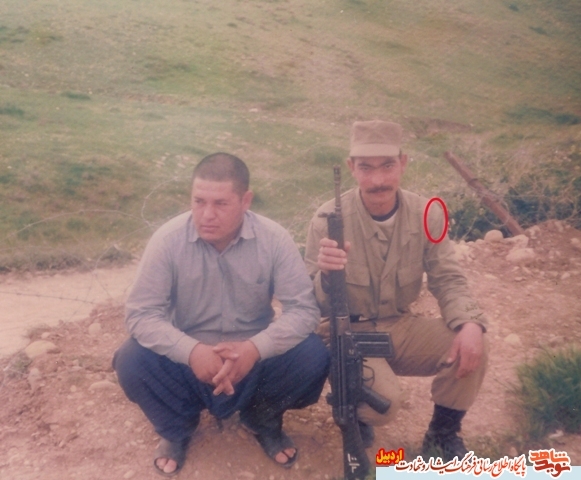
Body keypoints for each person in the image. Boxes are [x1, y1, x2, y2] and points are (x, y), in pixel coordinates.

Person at [114, 152, 330, 476]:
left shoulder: (274, 240)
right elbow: (140, 313)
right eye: (199, 202)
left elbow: (304, 310)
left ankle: (262, 418)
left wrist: (254, 348)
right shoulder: (168, 241)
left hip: (253, 362)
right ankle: (177, 428)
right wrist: (191, 351)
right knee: (131, 359)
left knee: (312, 355)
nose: (207, 215)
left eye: (220, 204)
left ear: (245, 201)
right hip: (188, 360)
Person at [304, 120, 488, 461]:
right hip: (346, 333)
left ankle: (442, 435)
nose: (378, 180)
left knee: (472, 342)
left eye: (387, 166)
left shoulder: (428, 214)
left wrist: (470, 322)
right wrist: (327, 276)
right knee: (384, 404)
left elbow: (448, 278)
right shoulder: (327, 219)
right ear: (351, 168)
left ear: (403, 163)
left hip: (398, 326)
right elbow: (309, 303)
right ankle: (358, 414)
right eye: (366, 168)